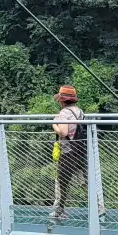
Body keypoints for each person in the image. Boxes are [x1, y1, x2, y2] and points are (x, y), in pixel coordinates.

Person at [49, 84, 86, 224]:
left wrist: (54, 123)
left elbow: (63, 132)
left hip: (68, 152)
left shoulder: (63, 113)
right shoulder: (79, 111)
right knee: (83, 181)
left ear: (62, 100)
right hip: (80, 151)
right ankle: (98, 209)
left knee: (61, 183)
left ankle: (59, 211)